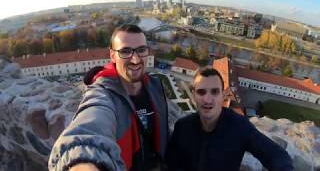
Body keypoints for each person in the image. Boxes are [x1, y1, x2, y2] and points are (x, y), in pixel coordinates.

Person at [48, 24, 169, 171]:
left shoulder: (155, 86)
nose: (136, 60)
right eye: (125, 51)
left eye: (141, 50)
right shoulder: (104, 93)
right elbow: (92, 122)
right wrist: (84, 162)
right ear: (112, 55)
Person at [165, 67, 293, 171]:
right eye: (201, 92)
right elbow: (171, 161)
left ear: (223, 95)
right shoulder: (183, 126)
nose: (207, 99)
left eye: (214, 92)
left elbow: (275, 155)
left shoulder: (239, 126)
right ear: (194, 95)